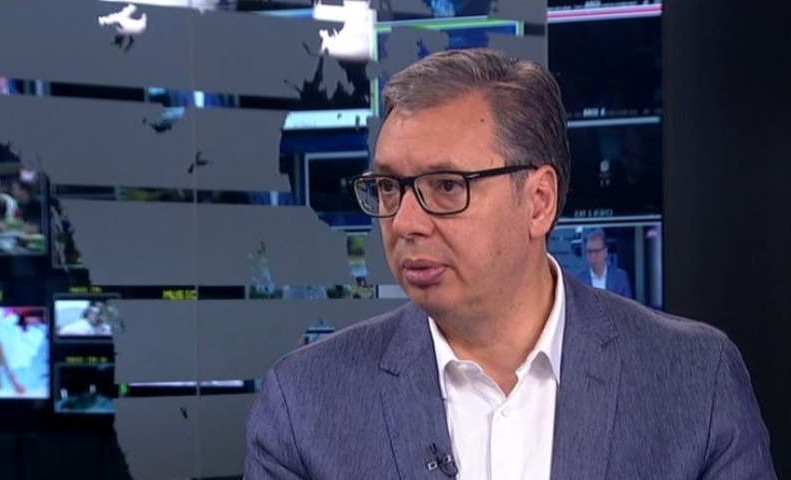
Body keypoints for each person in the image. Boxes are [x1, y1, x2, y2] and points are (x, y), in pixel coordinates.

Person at [245, 48, 775, 479]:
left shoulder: (694, 379)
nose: (405, 222)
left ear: (539, 201)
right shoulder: (306, 403)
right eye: (388, 187)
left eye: (446, 186)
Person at [576, 228, 633, 298]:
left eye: (596, 251)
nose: (593, 256)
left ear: (605, 252)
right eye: (589, 252)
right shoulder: (578, 280)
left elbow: (626, 304)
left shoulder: (620, 278)